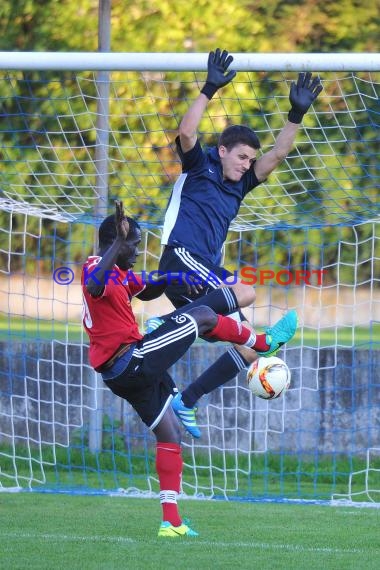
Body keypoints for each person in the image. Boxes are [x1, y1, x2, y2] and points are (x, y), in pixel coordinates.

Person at [81, 201, 297, 537]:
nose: (138, 251)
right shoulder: (97, 266)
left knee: (170, 433)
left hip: (123, 374)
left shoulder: (120, 274)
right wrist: (117, 248)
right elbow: (95, 284)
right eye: (134, 245)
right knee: (204, 318)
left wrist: (175, 277)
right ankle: (262, 343)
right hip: (131, 360)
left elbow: (147, 285)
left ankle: (171, 522)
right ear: (116, 245)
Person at [151, 48, 322, 438]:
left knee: (251, 350)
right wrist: (210, 86)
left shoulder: (240, 186)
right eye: (242, 157)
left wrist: (296, 114)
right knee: (244, 292)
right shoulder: (200, 167)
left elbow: (278, 154)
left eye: (250, 160)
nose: (247, 165)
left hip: (203, 278)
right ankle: (164, 325)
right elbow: (187, 132)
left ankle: (186, 400)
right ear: (223, 151)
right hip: (181, 259)